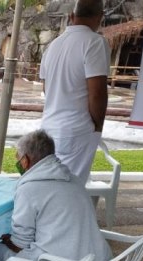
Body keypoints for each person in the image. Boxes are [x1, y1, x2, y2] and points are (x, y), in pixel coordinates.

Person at [0, 129, 111, 261]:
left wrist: (8, 241)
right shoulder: (73, 179)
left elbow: (21, 243)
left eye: (18, 157)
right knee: (25, 251)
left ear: (25, 160)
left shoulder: (30, 188)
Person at [39, 0, 109, 186]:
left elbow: (46, 88)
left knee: (47, 185)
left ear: (71, 16)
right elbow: (97, 93)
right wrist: (97, 125)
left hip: (48, 126)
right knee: (69, 190)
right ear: (100, 17)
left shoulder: (53, 45)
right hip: (76, 130)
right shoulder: (94, 42)